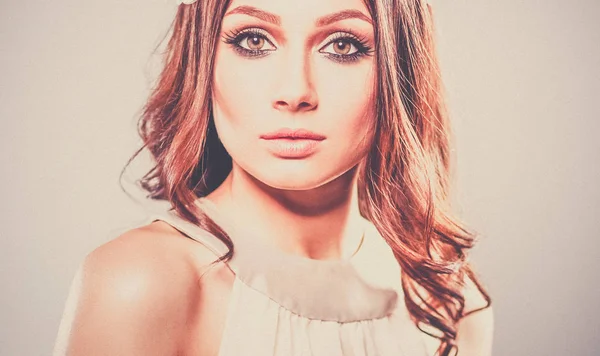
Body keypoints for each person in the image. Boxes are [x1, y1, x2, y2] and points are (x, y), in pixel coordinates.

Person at [53, 0, 494, 355]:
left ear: (401, 70)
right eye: (253, 40)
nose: (294, 93)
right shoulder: (142, 280)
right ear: (203, 61)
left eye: (342, 45)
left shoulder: (448, 296)